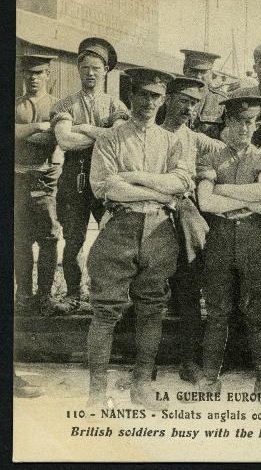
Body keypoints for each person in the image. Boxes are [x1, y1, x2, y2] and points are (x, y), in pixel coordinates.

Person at [86, 68, 192, 409]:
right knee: (105, 310)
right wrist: (159, 191)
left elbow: (182, 182)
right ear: (131, 96)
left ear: (164, 100)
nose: (149, 102)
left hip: (160, 230)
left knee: (152, 310)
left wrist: (136, 178)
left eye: (156, 96)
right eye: (144, 94)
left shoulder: (172, 140)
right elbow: (105, 186)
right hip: (120, 227)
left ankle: (142, 386)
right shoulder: (110, 138)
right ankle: (97, 394)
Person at [195, 95, 261, 397]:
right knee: (218, 311)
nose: (244, 127)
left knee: (257, 310)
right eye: (238, 121)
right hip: (219, 241)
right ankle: (209, 377)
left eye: (250, 122)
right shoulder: (211, 157)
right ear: (227, 123)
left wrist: (222, 189)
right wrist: (243, 204)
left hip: (256, 243)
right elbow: (205, 201)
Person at [51, 37, 130, 315]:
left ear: (106, 70)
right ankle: (73, 294)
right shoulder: (65, 104)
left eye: (96, 68)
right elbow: (65, 141)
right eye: (85, 67)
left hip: (106, 179)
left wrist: (82, 127)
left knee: (113, 238)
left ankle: (108, 294)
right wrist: (100, 135)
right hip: (73, 179)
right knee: (73, 240)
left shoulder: (115, 106)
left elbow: (118, 138)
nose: (90, 73)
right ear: (78, 68)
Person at [161, 76, 225, 384]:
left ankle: (189, 359)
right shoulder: (151, 132)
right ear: (167, 99)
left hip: (181, 211)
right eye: (183, 100)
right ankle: (143, 357)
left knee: (188, 283)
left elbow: (225, 151)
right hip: (149, 211)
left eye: (193, 103)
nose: (188, 108)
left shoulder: (193, 137)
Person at [14, 54, 61, 315]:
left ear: (47, 75)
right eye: (28, 73)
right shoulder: (16, 104)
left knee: (49, 239)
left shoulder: (57, 106)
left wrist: (24, 132)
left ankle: (44, 296)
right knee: (20, 239)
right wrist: (38, 127)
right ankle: (23, 295)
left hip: (45, 181)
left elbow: (54, 140)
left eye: (38, 73)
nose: (33, 78)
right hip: (18, 179)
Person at [179, 49, 228, 139]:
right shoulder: (172, 97)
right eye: (193, 71)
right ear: (184, 70)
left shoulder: (221, 102)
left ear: (211, 74)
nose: (198, 76)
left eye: (203, 72)